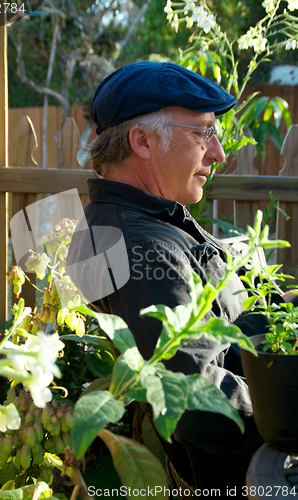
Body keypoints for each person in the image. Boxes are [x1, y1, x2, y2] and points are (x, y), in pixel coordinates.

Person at [66, 61, 296, 494]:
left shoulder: (151, 216)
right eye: (202, 133)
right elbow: (192, 400)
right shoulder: (141, 245)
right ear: (143, 141)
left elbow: (224, 332)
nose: (219, 152)